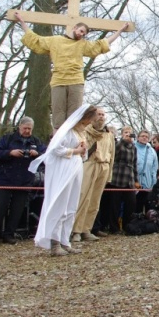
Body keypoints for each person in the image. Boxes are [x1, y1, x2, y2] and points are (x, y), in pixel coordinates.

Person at [14, 14, 126, 130]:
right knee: (58, 113)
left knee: (75, 114)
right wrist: (22, 21)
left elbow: (102, 44)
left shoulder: (82, 44)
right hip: (59, 80)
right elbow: (35, 40)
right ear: (74, 28)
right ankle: (58, 139)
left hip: (75, 80)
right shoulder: (55, 41)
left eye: (84, 34)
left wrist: (120, 31)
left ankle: (74, 139)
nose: (81, 34)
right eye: (81, 31)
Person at [31, 104, 96, 255]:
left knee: (71, 206)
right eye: (89, 120)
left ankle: (64, 240)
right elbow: (55, 149)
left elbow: (82, 154)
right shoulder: (66, 131)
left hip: (76, 169)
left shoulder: (81, 133)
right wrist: (75, 150)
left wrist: (83, 151)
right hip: (63, 170)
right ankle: (54, 243)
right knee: (60, 205)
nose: (89, 123)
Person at [0, 117, 46, 244]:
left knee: (17, 209)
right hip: (6, 178)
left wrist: (37, 154)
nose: (27, 131)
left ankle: (9, 234)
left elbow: (46, 155)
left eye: (29, 129)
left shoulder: (36, 141)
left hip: (25, 180)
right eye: (25, 128)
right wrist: (10, 153)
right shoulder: (7, 138)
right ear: (19, 127)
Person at [72, 108, 114, 244]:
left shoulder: (109, 134)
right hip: (90, 164)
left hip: (104, 165)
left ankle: (86, 229)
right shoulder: (86, 131)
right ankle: (75, 230)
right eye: (98, 114)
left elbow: (112, 154)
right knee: (84, 197)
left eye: (103, 115)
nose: (101, 117)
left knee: (95, 200)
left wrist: (109, 174)